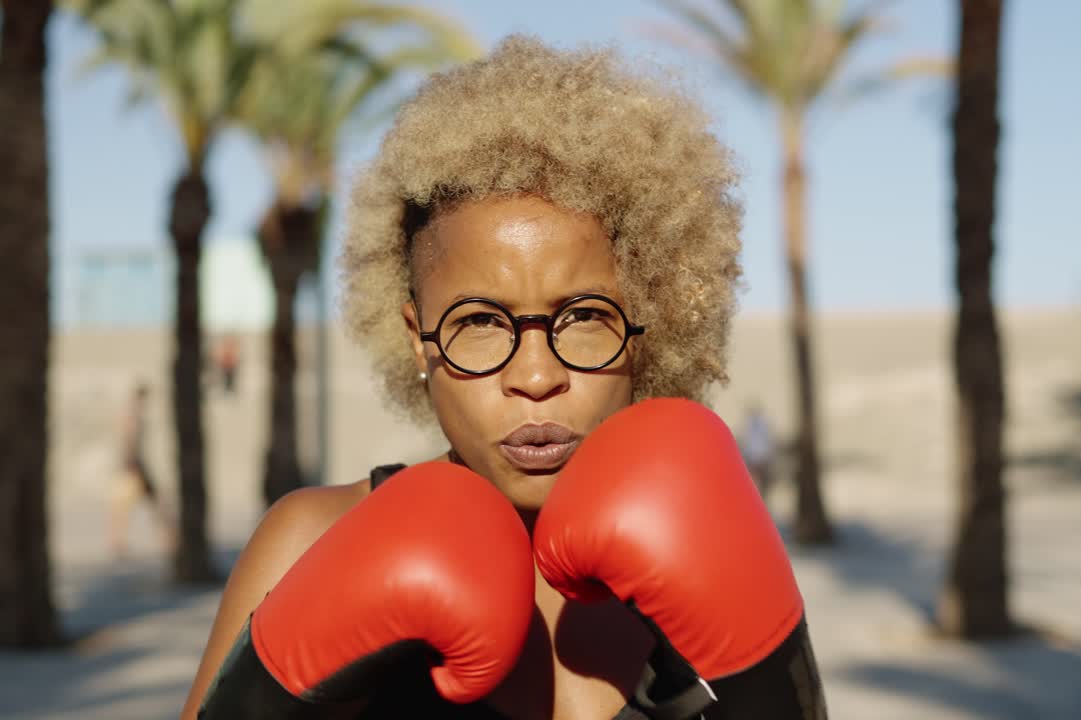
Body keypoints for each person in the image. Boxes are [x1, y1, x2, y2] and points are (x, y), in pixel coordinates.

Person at [184, 36, 826, 720]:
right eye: (481, 323)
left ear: (650, 319)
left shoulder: (713, 551)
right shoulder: (311, 541)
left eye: (582, 315)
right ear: (416, 337)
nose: (536, 375)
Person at [108, 381, 174, 558]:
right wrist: (131, 464)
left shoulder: (131, 414)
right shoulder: (131, 415)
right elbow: (128, 441)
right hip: (133, 466)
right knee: (125, 506)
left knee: (138, 505)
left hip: (134, 465)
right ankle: (118, 542)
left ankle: (166, 540)